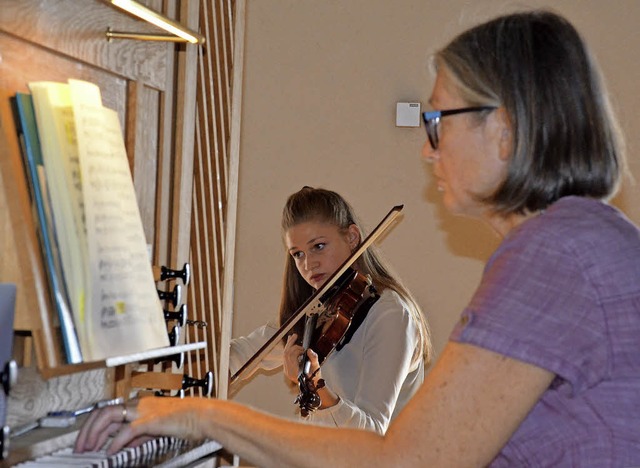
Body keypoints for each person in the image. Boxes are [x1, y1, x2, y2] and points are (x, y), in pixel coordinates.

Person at [74, 10, 640, 467]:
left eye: (438, 121)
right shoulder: (577, 239)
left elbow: (403, 459)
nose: (426, 148)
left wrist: (201, 418)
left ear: (507, 128)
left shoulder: (553, 255)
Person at [227, 186, 432, 434]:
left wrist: (315, 385)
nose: (308, 263)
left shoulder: (391, 315)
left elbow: (370, 434)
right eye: (298, 254)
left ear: (353, 237)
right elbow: (243, 353)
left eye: (319, 246)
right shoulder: (320, 308)